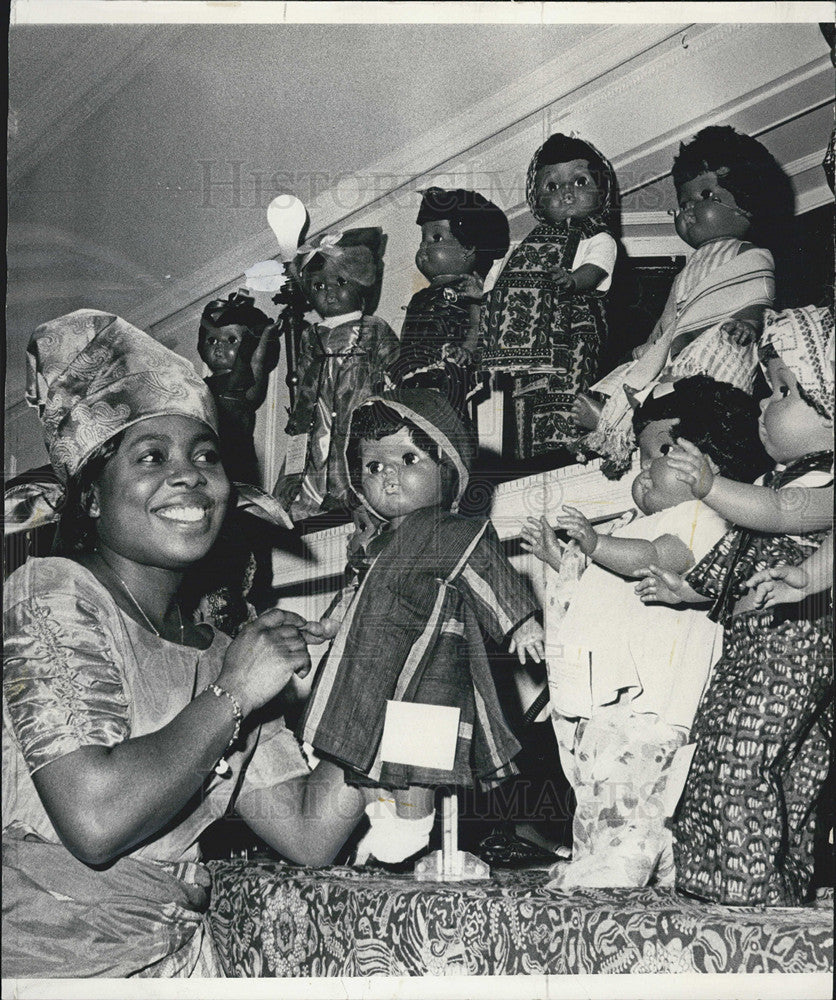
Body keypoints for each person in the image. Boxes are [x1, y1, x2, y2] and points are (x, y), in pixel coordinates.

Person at [2, 309, 366, 978]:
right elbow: (95, 818)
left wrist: (378, 665)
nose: (190, 475)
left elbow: (310, 831)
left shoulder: (220, 644)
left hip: (175, 959)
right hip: (55, 967)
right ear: (90, 500)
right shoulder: (50, 594)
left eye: (206, 456)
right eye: (151, 458)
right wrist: (233, 692)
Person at [520, 376, 769, 888]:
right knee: (598, 786)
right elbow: (601, 580)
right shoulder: (637, 523)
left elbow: (658, 559)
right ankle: (613, 862)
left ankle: (616, 871)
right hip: (610, 697)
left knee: (625, 790)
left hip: (647, 701)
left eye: (659, 451)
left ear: (709, 464)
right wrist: (562, 557)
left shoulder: (702, 517)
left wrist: (595, 544)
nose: (643, 467)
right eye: (640, 454)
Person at [635, 304, 834, 905]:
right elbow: (742, 549)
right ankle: (777, 888)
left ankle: (741, 889)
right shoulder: (786, 479)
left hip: (794, 648)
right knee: (792, 769)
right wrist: (689, 588)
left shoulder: (823, 481)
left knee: (736, 752)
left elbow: (777, 518)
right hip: (764, 643)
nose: (763, 404)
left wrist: (711, 487)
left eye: (783, 391)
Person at [299, 388, 545, 865]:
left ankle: (414, 822)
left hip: (431, 666)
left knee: (418, 753)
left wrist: (519, 624)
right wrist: (329, 626)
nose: (387, 475)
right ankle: (384, 819)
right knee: (360, 746)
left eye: (408, 458)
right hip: (372, 664)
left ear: (447, 469)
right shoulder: (373, 542)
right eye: (373, 466)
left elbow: (485, 569)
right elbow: (354, 591)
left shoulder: (447, 530)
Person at [576, 125, 788, 477]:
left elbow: (759, 296)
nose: (688, 210)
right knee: (642, 375)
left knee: (700, 397)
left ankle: (629, 426)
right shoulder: (686, 270)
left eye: (705, 196)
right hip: (677, 349)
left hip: (722, 343)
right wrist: (649, 345)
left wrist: (749, 324)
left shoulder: (750, 254)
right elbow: (671, 315)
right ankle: (618, 420)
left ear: (747, 206)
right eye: (684, 202)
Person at [479, 133, 618, 460]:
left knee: (569, 398)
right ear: (536, 199)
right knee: (526, 401)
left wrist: (572, 281)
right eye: (552, 186)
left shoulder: (598, 238)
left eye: (580, 181)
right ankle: (532, 454)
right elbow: (496, 285)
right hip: (527, 352)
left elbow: (595, 272)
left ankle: (570, 448)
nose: (566, 191)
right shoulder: (523, 247)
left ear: (601, 192)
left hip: (572, 337)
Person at [273, 228, 400, 521]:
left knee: (351, 446)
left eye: (340, 282)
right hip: (317, 408)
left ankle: (348, 495)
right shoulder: (311, 335)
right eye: (318, 286)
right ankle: (308, 498)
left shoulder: (373, 327)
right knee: (313, 451)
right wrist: (299, 417)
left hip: (356, 405)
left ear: (361, 285)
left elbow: (398, 366)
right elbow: (303, 375)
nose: (329, 292)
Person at [389, 186, 510, 413]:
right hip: (415, 369)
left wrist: (468, 349)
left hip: (447, 369)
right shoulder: (419, 296)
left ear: (468, 247)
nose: (424, 246)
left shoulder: (468, 287)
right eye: (422, 239)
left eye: (436, 238)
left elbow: (478, 323)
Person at [197, 289, 280, 486]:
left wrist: (263, 337)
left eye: (231, 340)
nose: (218, 347)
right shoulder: (200, 386)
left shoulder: (242, 384)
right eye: (211, 340)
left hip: (236, 460)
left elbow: (256, 365)